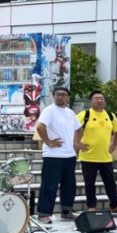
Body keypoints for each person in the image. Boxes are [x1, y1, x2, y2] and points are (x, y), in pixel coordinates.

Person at [35, 87, 81, 223]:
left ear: (68, 98)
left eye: (63, 95)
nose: (60, 97)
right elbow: (40, 127)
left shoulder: (70, 112)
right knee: (49, 185)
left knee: (69, 185)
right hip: (53, 155)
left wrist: (77, 142)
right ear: (54, 96)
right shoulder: (49, 111)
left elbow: (79, 128)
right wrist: (48, 142)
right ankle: (43, 213)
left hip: (69, 155)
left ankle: (66, 211)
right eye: (57, 94)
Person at [74, 91, 117, 213]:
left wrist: (114, 144)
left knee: (110, 183)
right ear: (91, 101)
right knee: (89, 184)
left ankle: (115, 205)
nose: (99, 100)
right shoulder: (84, 114)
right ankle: (91, 206)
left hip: (105, 157)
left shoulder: (110, 115)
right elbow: (72, 127)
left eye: (101, 98)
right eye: (96, 98)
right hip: (88, 156)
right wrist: (77, 142)